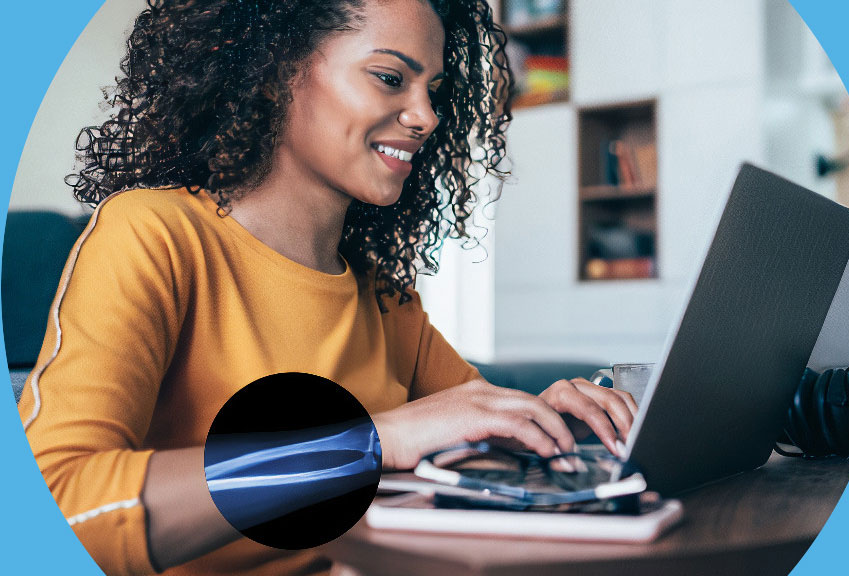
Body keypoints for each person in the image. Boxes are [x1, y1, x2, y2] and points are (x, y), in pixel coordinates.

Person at [18, 0, 637, 574]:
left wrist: (557, 432)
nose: (425, 117)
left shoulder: (386, 300)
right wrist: (372, 442)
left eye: (435, 92)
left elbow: (476, 440)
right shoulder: (154, 237)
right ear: (275, 72)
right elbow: (56, 508)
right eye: (391, 78)